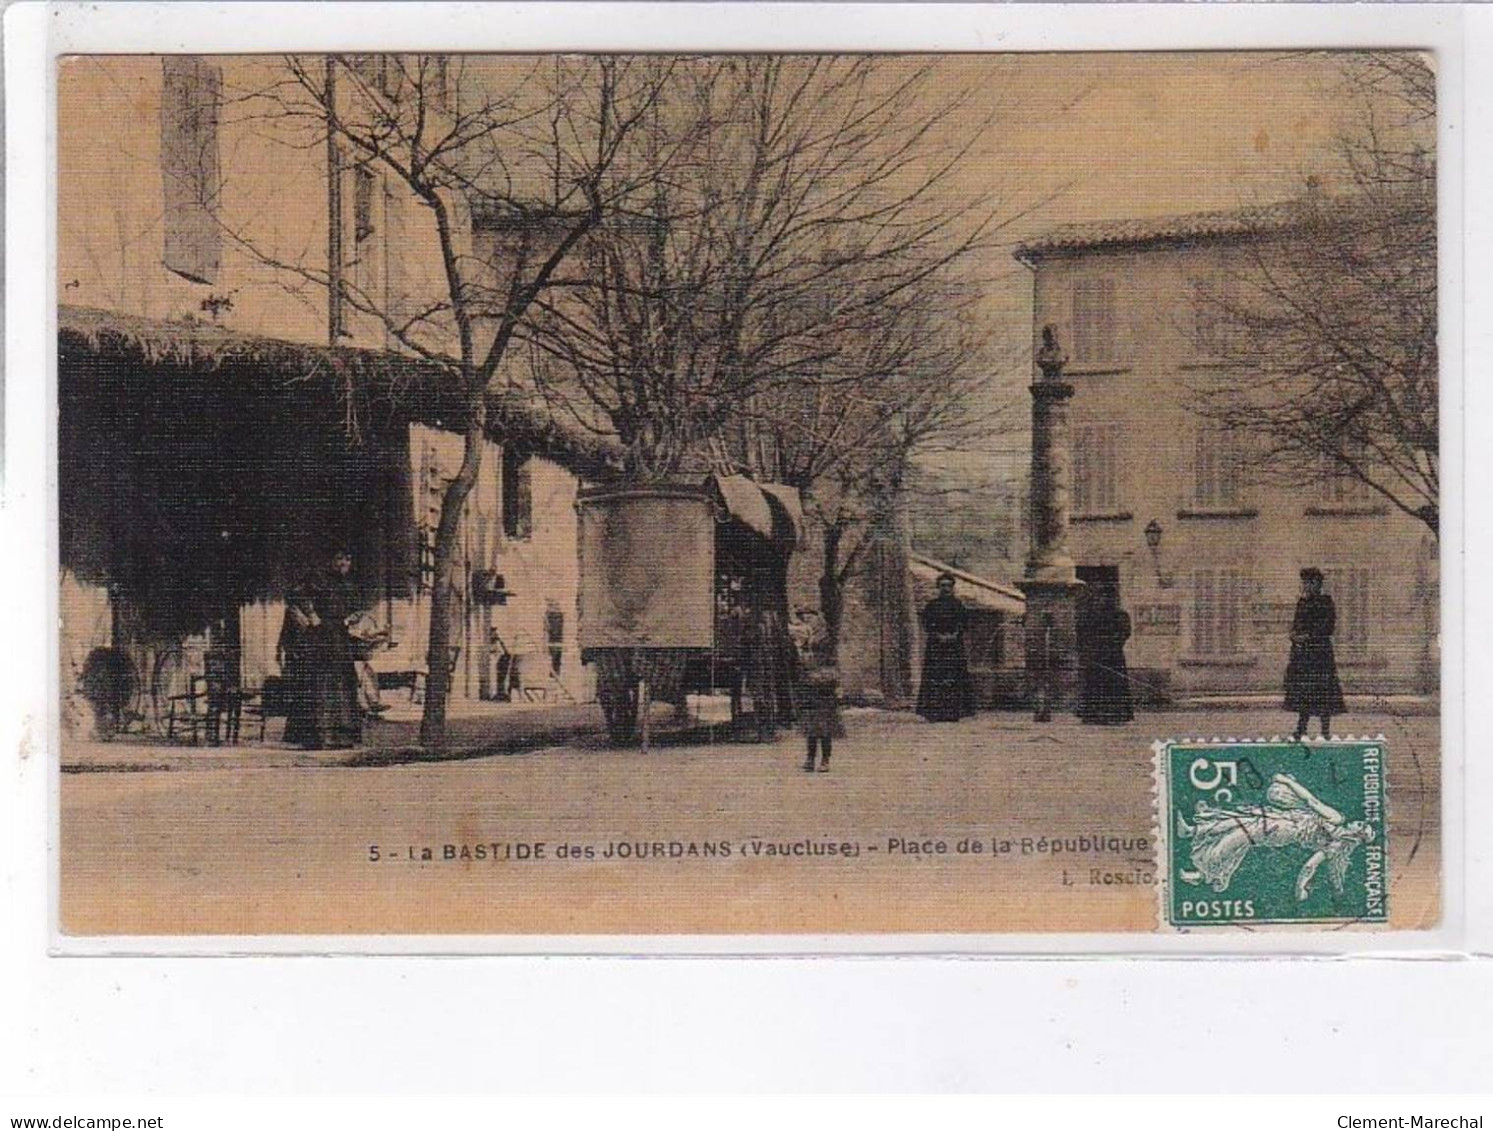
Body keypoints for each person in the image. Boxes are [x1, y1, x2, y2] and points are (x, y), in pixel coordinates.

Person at [299, 547, 364, 750]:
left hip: (341, 639)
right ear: (331, 560)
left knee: (345, 683)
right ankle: (321, 736)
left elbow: (357, 609)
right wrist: (311, 615)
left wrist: (354, 618)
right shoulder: (318, 579)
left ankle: (344, 736)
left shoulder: (350, 584)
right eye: (339, 558)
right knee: (323, 684)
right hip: (321, 638)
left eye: (348, 559)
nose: (344, 563)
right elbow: (298, 596)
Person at [1284, 567, 1345, 739]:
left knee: (1323, 691)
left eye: (1309, 583)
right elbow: (1296, 625)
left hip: (1320, 655)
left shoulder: (1326, 602)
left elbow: (1328, 628)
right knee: (1304, 690)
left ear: (1317, 584)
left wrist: (1308, 636)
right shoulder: (1302, 603)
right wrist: (1294, 636)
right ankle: (1301, 727)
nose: (1306, 586)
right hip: (1303, 655)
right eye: (1304, 583)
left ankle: (1325, 730)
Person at [915, 572, 976, 722]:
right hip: (936, 648)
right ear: (938, 587)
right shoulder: (932, 605)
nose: (946, 589)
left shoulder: (958, 605)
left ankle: (953, 712)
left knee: (954, 678)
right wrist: (938, 635)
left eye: (949, 585)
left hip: (954, 648)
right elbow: (927, 624)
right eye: (943, 586)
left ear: (953, 587)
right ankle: (934, 713)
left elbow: (964, 623)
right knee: (935, 678)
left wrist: (954, 635)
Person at [791, 606, 844, 773]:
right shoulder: (804, 638)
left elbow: (832, 661)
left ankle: (825, 759)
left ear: (817, 619)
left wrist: (836, 684)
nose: (807, 621)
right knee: (810, 724)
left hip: (824, 684)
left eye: (810, 618)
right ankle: (810, 758)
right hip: (809, 684)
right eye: (804, 618)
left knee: (825, 725)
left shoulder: (825, 638)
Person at [1077, 581, 1135, 725]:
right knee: (1096, 685)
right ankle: (1093, 714)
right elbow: (1083, 632)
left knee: (1114, 685)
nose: (1104, 600)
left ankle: (1115, 714)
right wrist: (1090, 647)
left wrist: (1113, 644)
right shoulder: (1092, 615)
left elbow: (1125, 632)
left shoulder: (1120, 615)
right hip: (1097, 655)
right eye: (1102, 596)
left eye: (1107, 597)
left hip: (1113, 656)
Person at [276, 591, 318, 747]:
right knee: (300, 697)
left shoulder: (311, 613)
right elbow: (286, 635)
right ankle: (298, 735)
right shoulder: (293, 613)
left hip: (309, 659)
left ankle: (305, 734)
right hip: (298, 660)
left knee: (306, 698)